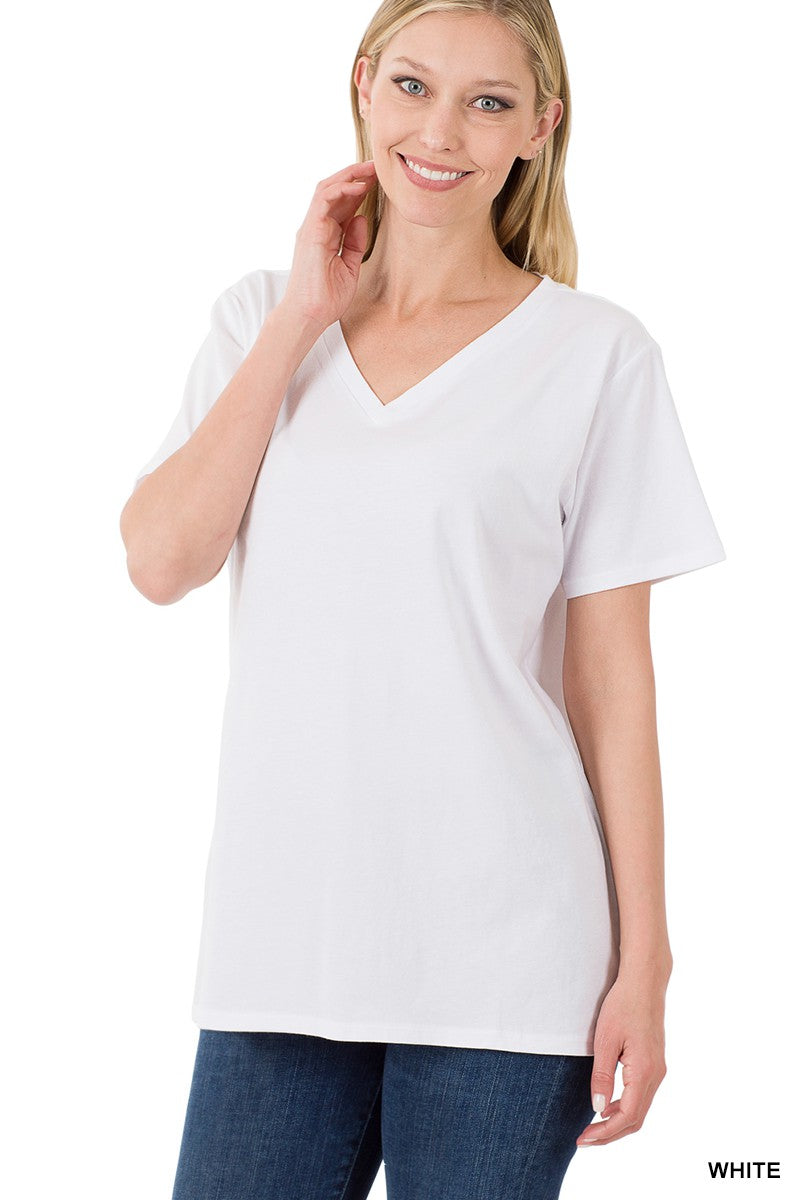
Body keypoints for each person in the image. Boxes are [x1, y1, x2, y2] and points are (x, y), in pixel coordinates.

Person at [119, 2, 726, 1197]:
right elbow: (160, 563)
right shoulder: (259, 318)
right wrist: (303, 313)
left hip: (508, 965)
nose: (439, 131)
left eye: (486, 102)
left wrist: (645, 965)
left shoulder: (595, 356)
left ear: (539, 127)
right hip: (280, 949)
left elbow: (611, 685)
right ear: (362, 85)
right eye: (411, 85)